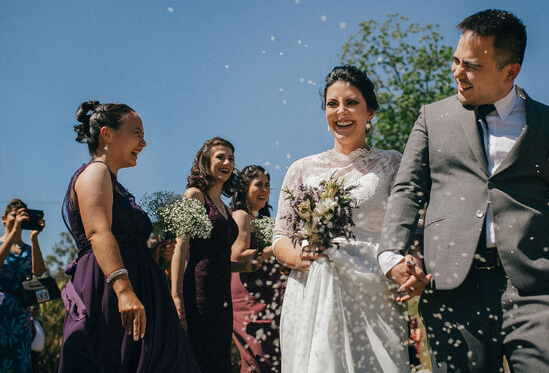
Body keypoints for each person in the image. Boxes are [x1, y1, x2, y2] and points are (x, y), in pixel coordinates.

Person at [379, 9, 549, 373]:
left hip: (539, 291)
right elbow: (407, 188)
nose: (457, 73)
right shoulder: (432, 117)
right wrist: (391, 253)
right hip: (454, 288)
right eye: (455, 60)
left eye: (472, 66)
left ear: (510, 71)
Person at [273, 65, 409, 372]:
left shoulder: (391, 162)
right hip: (315, 289)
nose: (341, 111)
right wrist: (300, 256)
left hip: (373, 289)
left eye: (351, 102)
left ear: (370, 111)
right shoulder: (301, 169)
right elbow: (280, 237)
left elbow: (408, 226)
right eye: (332, 104)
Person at [59, 101, 199, 373]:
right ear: (107, 134)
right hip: (109, 289)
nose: (143, 143)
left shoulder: (114, 182)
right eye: (136, 133)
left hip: (138, 285)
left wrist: (151, 254)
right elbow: (98, 232)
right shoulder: (96, 171)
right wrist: (123, 291)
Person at [170, 137, 251, 373]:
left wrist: (245, 265)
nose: (227, 162)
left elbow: (221, 258)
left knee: (219, 357)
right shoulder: (195, 196)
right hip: (199, 288)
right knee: (198, 354)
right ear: (206, 161)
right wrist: (174, 294)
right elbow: (181, 245)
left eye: (231, 159)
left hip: (222, 292)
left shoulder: (227, 208)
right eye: (220, 157)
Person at [230, 165, 285, 373]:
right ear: (245, 188)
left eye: (267, 185)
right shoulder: (241, 215)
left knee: (273, 356)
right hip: (248, 294)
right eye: (258, 185)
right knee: (258, 356)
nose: (264, 190)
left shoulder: (264, 220)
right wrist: (272, 249)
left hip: (268, 291)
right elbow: (236, 255)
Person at [0, 198, 46, 373]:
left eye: (22, 216)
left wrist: (34, 239)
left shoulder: (27, 249)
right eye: (14, 215)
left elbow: (39, 271)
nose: (18, 219)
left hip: (20, 314)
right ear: (4, 218)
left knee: (19, 359)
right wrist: (14, 232)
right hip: (1, 307)